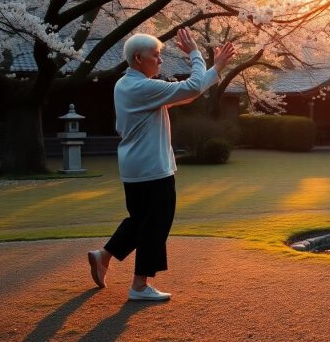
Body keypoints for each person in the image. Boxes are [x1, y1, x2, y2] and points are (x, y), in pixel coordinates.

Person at [87, 28, 235, 301]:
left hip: (135, 167)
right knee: (156, 224)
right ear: (139, 57)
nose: (161, 61)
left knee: (140, 221)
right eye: (156, 56)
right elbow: (191, 87)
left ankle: (103, 257)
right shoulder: (142, 87)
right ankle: (140, 286)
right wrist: (195, 55)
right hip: (152, 168)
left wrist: (215, 69)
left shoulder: (126, 84)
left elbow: (187, 95)